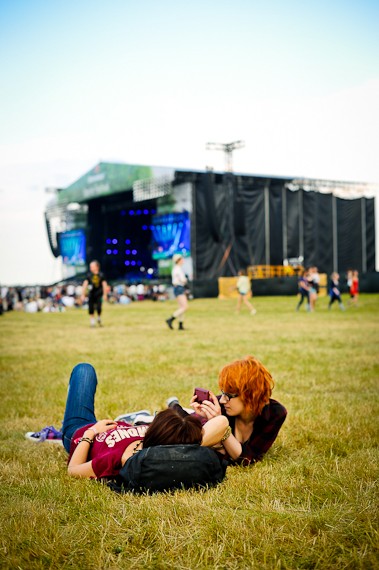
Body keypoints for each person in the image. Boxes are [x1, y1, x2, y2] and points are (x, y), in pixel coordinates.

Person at [62, 363, 229, 480]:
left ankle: (61, 433)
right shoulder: (168, 438)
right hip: (115, 426)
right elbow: (221, 422)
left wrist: (91, 432)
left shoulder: (120, 459)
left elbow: (73, 470)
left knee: (84, 370)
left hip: (81, 430)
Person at [169, 356, 287, 466]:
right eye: (223, 393)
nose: (223, 400)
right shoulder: (224, 406)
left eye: (229, 395)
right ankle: (173, 406)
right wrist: (209, 422)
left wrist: (221, 431)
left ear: (250, 396)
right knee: (178, 421)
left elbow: (248, 459)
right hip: (186, 421)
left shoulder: (275, 413)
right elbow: (188, 438)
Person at [81, 260, 108, 327]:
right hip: (91, 294)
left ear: (97, 267)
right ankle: (92, 322)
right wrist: (83, 294)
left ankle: (99, 318)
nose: (91, 268)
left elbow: (104, 285)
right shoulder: (89, 275)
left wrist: (105, 294)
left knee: (99, 307)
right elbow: (85, 284)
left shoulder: (101, 275)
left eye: (92, 266)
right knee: (91, 308)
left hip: (99, 294)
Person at [166, 254, 188, 331]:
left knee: (181, 307)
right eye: (181, 259)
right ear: (178, 260)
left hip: (177, 288)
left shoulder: (175, 269)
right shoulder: (178, 269)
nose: (183, 260)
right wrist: (185, 280)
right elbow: (183, 280)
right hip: (179, 288)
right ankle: (171, 319)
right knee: (184, 307)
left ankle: (180, 325)